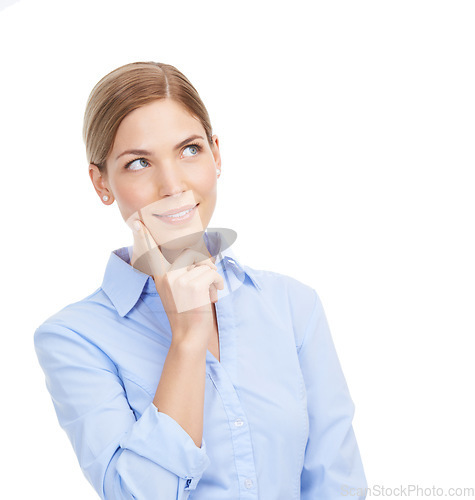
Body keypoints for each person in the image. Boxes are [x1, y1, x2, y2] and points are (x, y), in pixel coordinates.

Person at [34, 61, 367, 500]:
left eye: (189, 150)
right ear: (102, 183)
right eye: (138, 162)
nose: (173, 185)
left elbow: (337, 485)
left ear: (216, 154)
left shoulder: (292, 306)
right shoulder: (74, 338)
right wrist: (188, 337)